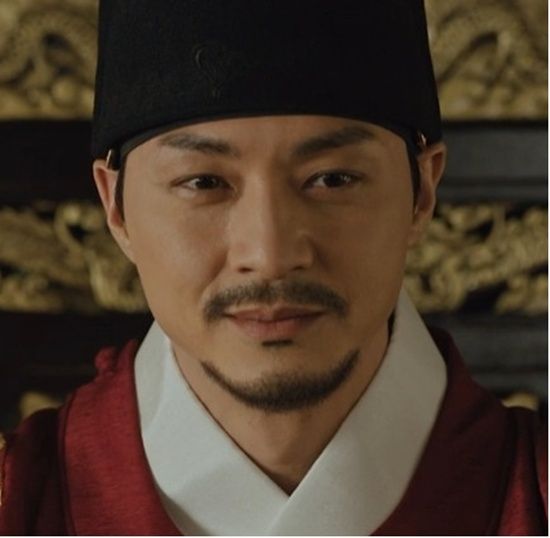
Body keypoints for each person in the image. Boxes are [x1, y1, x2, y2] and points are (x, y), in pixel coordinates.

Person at [0, 1, 546, 535]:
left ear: (422, 192)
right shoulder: (17, 498)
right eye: (204, 183)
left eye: (332, 179)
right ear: (115, 207)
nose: (270, 254)